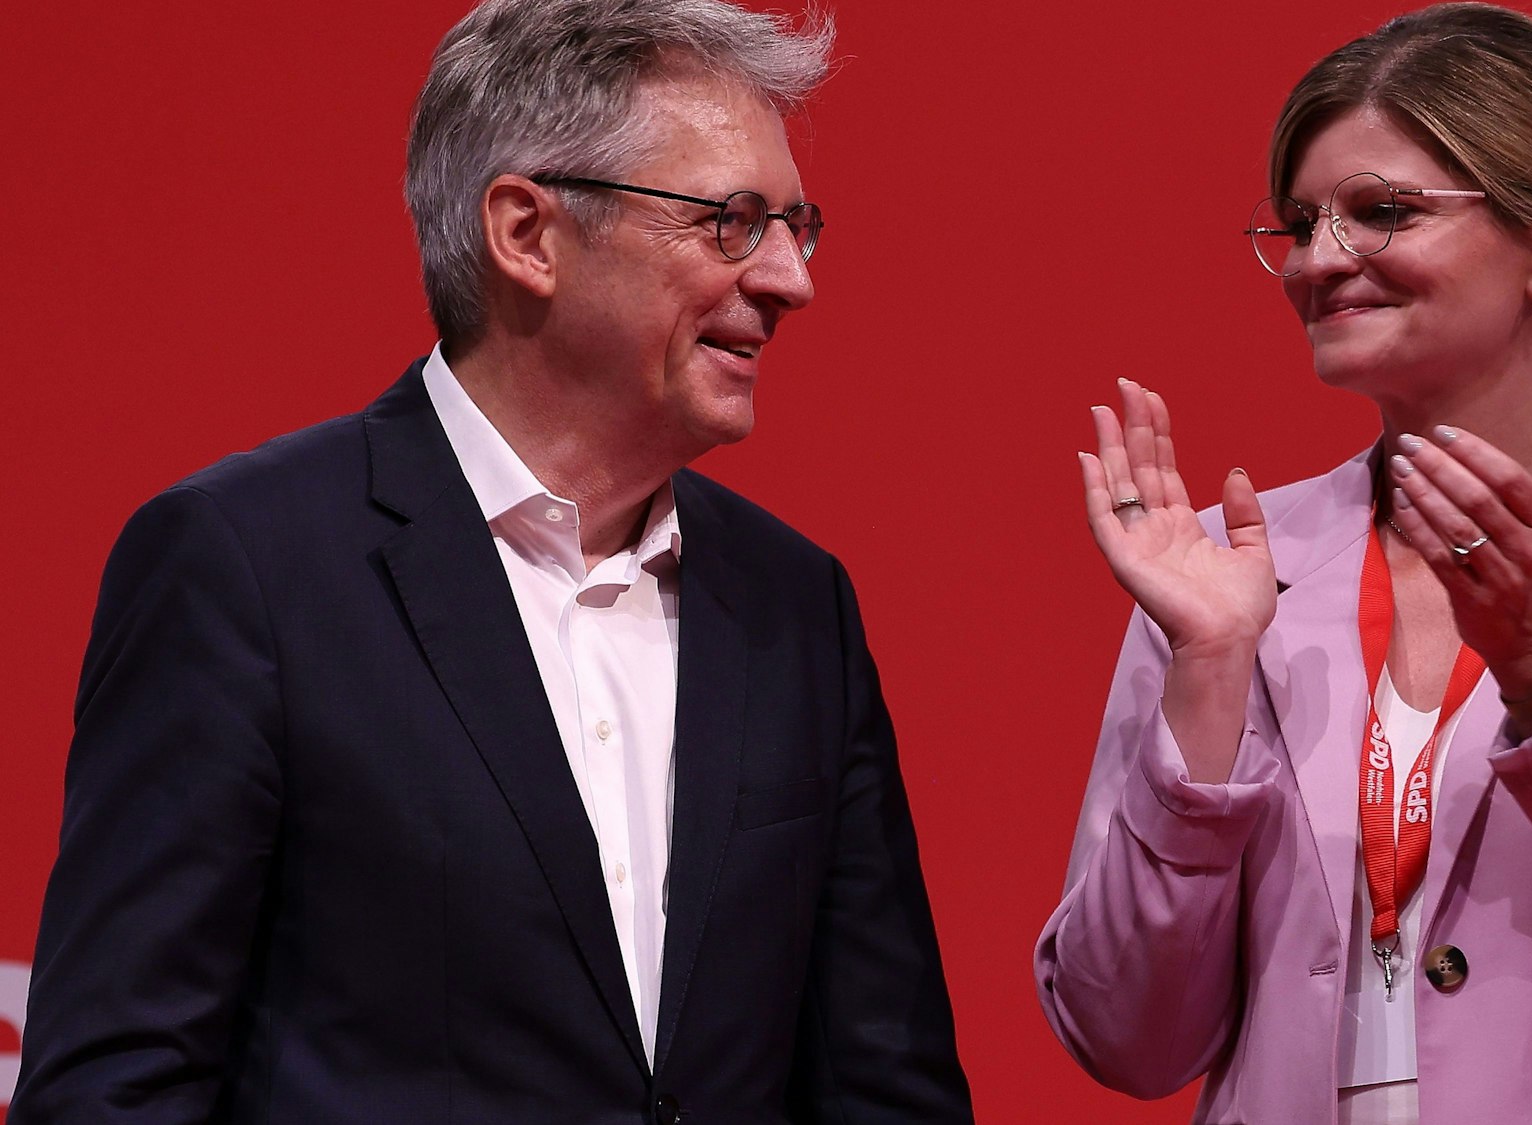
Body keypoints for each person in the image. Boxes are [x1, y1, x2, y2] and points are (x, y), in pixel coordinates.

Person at [13, 1, 972, 1121]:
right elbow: (113, 1087)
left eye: (794, 225)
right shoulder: (247, 570)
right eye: (730, 221)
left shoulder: (794, 605)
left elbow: (883, 1087)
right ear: (526, 234)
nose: (786, 279)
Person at [1035, 5, 1532, 1124]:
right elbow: (1125, 1038)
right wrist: (1210, 671)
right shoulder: (1224, 566)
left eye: (1380, 214)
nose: (1319, 261)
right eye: (1300, 223)